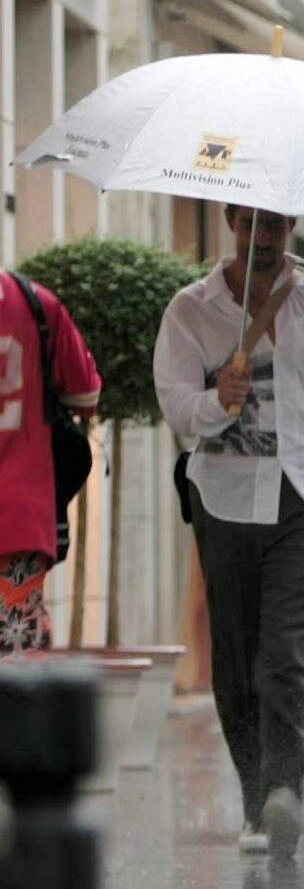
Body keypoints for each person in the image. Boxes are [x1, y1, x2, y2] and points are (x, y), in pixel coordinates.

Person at [154, 206, 304, 858]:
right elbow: (177, 406)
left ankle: (284, 788)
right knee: (235, 660)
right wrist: (216, 400)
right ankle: (257, 801)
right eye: (252, 222)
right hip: (223, 499)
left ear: (293, 225)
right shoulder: (191, 309)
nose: (265, 235)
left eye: (277, 224)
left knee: (285, 653)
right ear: (232, 220)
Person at [0, 273, 100, 656]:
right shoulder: (36, 302)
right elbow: (85, 394)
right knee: (16, 659)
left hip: (20, 519)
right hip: (20, 519)